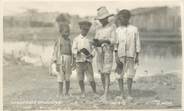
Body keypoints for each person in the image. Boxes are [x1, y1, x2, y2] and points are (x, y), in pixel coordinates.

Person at [115, 9, 141, 101]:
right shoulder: (118, 30)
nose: (120, 20)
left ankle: (129, 94)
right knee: (119, 75)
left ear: (127, 18)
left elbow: (137, 43)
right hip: (120, 55)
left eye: (122, 18)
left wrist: (137, 56)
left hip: (131, 55)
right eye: (120, 18)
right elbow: (115, 44)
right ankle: (122, 94)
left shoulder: (134, 29)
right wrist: (116, 57)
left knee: (130, 75)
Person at [94, 6, 116, 101]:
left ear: (107, 18)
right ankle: (105, 92)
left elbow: (114, 40)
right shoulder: (98, 28)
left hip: (107, 52)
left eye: (104, 19)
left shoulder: (112, 27)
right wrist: (95, 44)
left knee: (106, 73)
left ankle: (106, 94)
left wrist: (104, 41)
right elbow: (96, 40)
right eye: (101, 19)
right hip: (99, 53)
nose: (102, 21)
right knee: (102, 73)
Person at [72, 21, 97, 97]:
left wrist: (91, 55)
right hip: (79, 61)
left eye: (87, 30)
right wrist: (78, 52)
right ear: (80, 29)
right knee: (80, 78)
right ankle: (83, 92)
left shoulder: (90, 40)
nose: (85, 31)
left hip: (87, 61)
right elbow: (73, 49)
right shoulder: (76, 39)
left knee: (91, 78)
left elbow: (94, 49)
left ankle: (94, 92)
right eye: (83, 29)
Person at [52, 14, 72, 97]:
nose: (67, 34)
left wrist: (73, 62)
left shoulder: (70, 41)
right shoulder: (59, 41)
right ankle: (60, 93)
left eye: (68, 32)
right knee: (60, 77)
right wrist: (56, 62)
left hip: (68, 60)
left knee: (67, 77)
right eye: (65, 32)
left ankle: (66, 92)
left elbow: (72, 52)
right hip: (61, 60)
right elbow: (56, 52)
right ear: (61, 32)